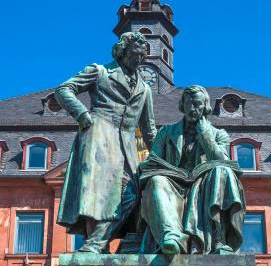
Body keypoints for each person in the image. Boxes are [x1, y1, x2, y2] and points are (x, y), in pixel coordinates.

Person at [52, 31, 157, 253]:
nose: (138, 61)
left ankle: (98, 242)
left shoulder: (145, 89)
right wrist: (82, 115)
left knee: (131, 192)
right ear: (122, 52)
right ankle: (97, 244)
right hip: (98, 133)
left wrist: (161, 157)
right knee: (98, 191)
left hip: (127, 144)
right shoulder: (99, 71)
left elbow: (149, 129)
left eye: (142, 57)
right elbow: (63, 89)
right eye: (134, 55)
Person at [139, 85, 245, 254]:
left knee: (222, 171)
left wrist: (205, 136)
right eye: (188, 103)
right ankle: (171, 237)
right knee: (156, 180)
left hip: (204, 187)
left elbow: (223, 161)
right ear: (182, 105)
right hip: (172, 185)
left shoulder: (219, 134)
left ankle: (219, 239)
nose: (192, 108)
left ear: (205, 107)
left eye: (197, 104)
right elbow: (152, 162)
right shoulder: (166, 132)